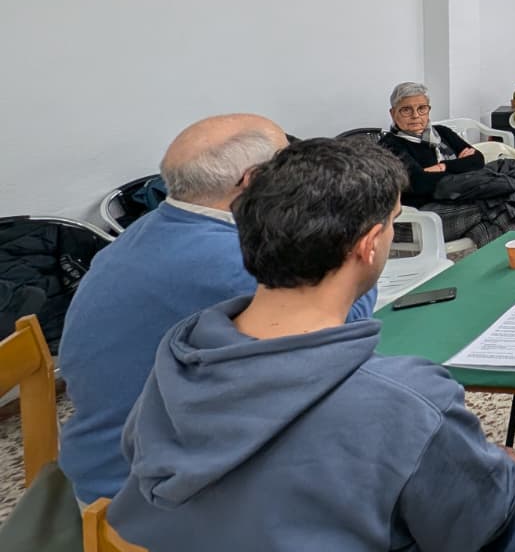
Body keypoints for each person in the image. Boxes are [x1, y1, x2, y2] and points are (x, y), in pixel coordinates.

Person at [107, 138, 515, 552]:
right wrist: (509, 466)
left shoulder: (178, 358)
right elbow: (476, 527)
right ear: (369, 245)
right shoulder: (405, 399)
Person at [58, 115, 373, 505]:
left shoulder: (149, 230)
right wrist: (360, 250)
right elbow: (341, 324)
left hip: (103, 461)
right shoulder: (232, 259)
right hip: (151, 500)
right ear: (256, 181)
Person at [380, 83, 515, 247]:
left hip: (461, 203)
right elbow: (420, 183)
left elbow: (477, 160)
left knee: (491, 223)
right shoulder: (390, 145)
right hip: (419, 217)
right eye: (406, 110)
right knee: (497, 201)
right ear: (393, 113)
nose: (416, 115)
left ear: (428, 110)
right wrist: (460, 166)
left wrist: (445, 167)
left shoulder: (441, 132)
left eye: (421, 108)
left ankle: (501, 277)